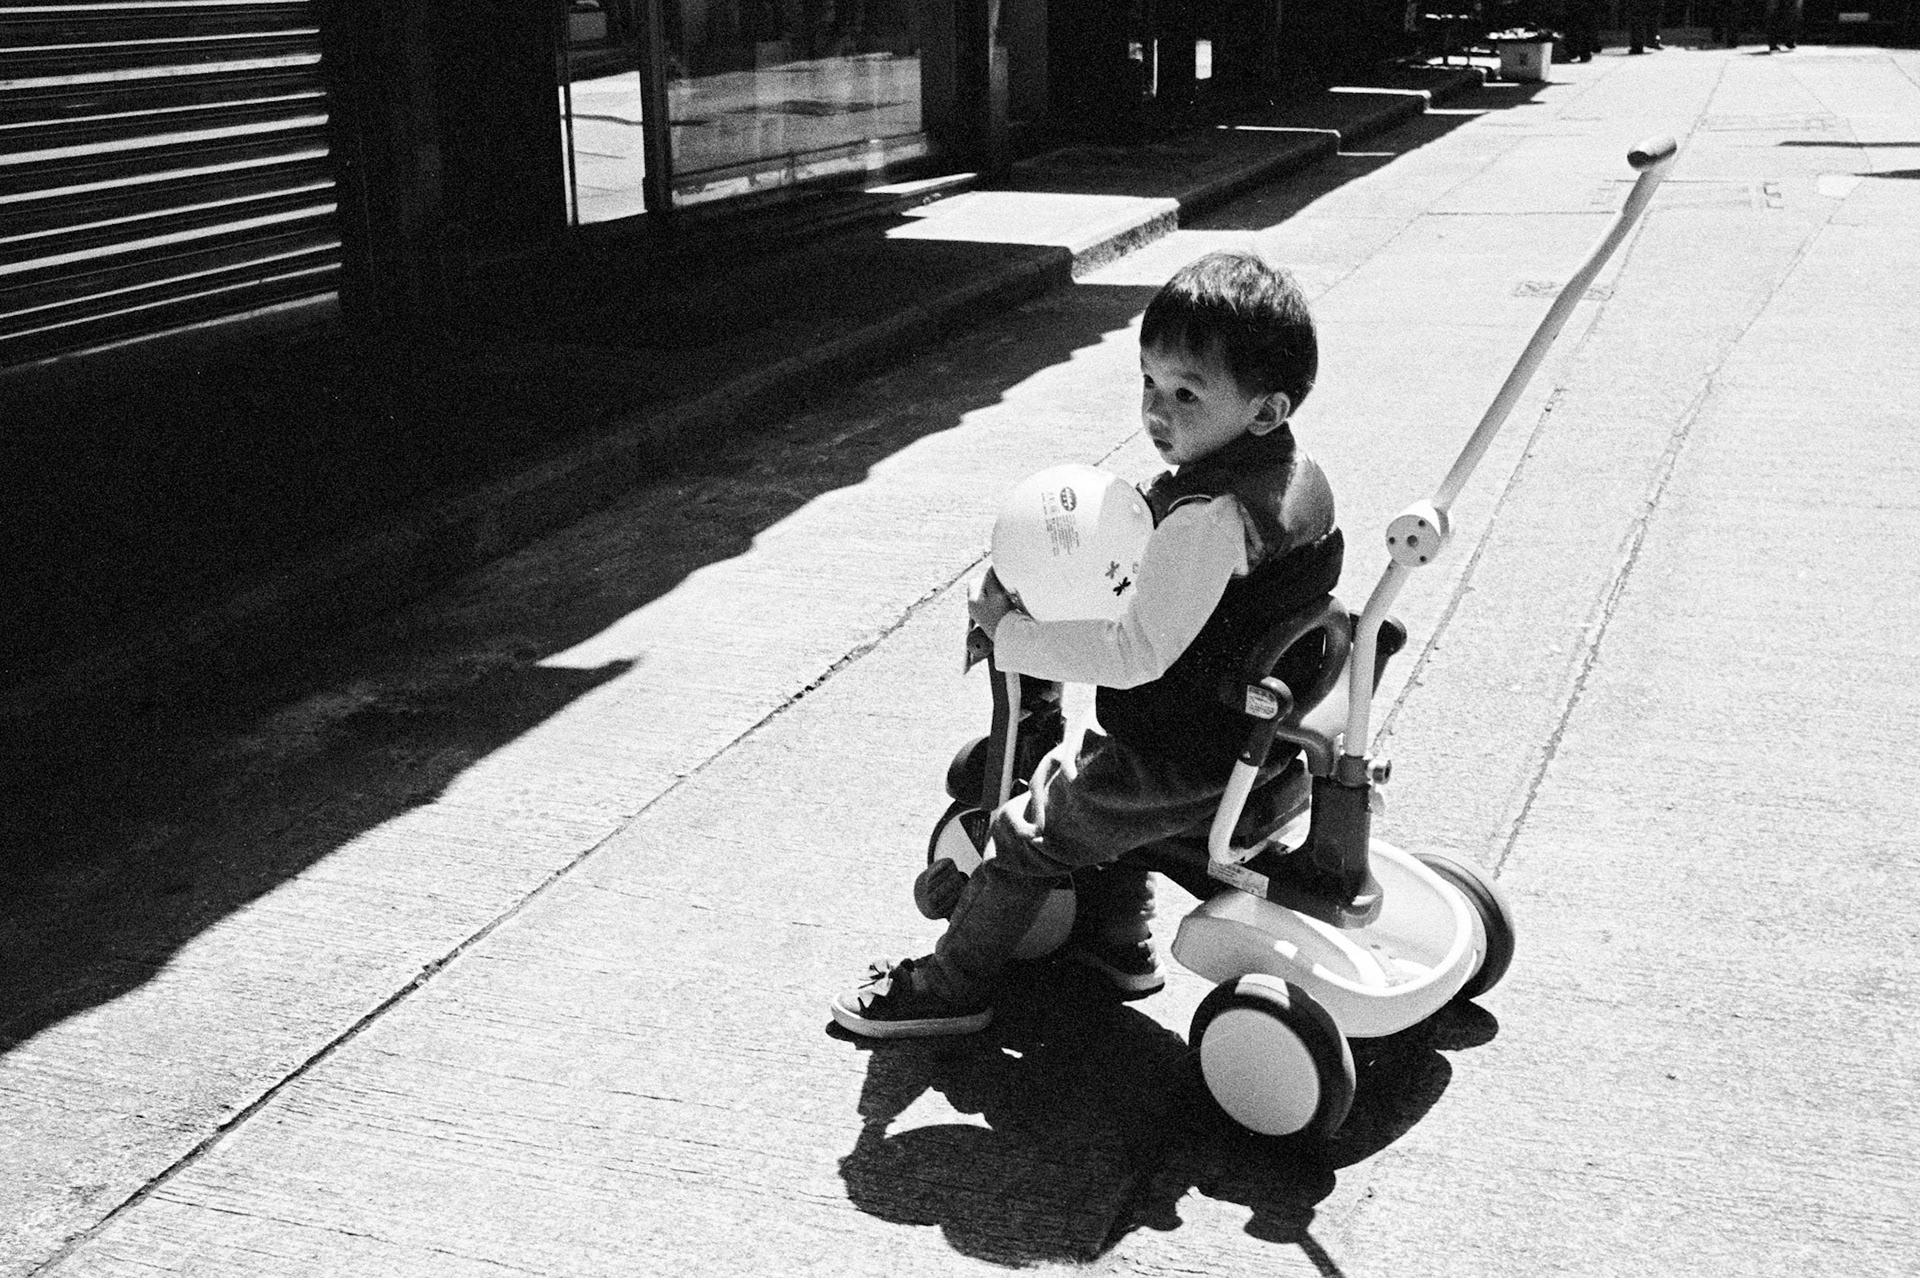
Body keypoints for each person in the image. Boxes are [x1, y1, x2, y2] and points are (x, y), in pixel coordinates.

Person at [830, 250, 1345, 1038]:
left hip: (1180, 760)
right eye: (1148, 382)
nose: (1157, 410)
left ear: (1265, 411)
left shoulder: (1207, 519)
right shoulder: (1292, 478)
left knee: (1028, 835)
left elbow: (1136, 651)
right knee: (1097, 801)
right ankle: (1116, 942)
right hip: (1242, 740)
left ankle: (948, 988)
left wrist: (1013, 636)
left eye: (1186, 393)